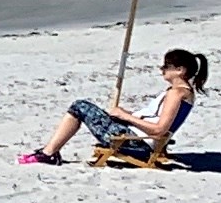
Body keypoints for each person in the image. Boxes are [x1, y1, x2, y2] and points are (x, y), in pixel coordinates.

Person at [26, 48, 206, 164]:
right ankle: (50, 151)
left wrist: (126, 117)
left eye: (166, 66)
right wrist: (125, 115)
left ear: (180, 70)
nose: (162, 69)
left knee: (79, 106)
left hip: (136, 143)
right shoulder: (180, 92)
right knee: (87, 109)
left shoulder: (177, 94)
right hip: (136, 136)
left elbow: (159, 130)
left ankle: (49, 152)